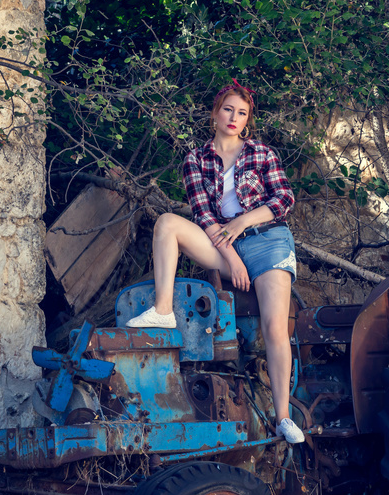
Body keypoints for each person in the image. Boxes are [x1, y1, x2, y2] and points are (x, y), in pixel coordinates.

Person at [126, 80, 305, 444]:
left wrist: (241, 222)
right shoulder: (196, 160)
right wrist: (232, 259)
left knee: (274, 329)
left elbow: (283, 199)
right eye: (228, 110)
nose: (234, 117)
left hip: (268, 243)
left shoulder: (261, 154)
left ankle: (283, 417)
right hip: (223, 245)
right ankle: (162, 310)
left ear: (248, 119)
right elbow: (204, 216)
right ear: (215, 113)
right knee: (167, 224)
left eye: (242, 113)